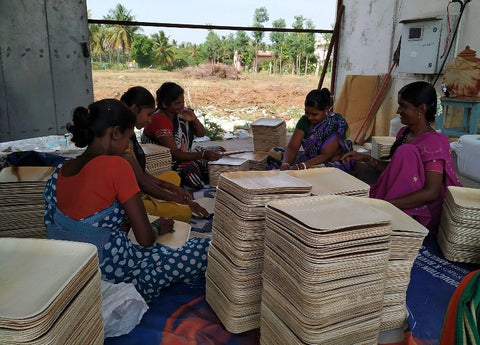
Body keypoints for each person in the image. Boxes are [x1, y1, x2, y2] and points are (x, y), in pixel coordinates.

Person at [43, 99, 209, 302]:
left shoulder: (59, 171)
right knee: (205, 249)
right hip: (114, 272)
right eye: (128, 138)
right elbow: (145, 239)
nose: (127, 146)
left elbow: (72, 222)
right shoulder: (116, 166)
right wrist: (158, 227)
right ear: (115, 133)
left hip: (70, 270)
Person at [341, 81, 462, 233]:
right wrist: (365, 158)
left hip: (420, 210)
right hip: (396, 198)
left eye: (403, 106)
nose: (398, 111)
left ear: (421, 109)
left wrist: (386, 204)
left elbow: (432, 192)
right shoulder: (404, 133)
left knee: (406, 152)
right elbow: (397, 170)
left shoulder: (434, 142)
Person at [120, 86, 209, 221]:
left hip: (139, 185)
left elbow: (142, 175)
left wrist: (172, 188)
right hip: (129, 195)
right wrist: (180, 200)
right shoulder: (122, 141)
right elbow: (142, 182)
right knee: (183, 212)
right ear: (133, 109)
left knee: (172, 177)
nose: (150, 120)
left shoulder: (128, 134)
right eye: (148, 114)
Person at [141, 82, 224, 190]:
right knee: (193, 174)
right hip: (168, 163)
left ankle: (204, 171)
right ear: (165, 104)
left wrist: (194, 119)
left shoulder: (181, 114)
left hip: (185, 154)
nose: (182, 105)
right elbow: (175, 154)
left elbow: (201, 133)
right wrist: (202, 155)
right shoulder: (159, 119)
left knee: (219, 151)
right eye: (178, 103)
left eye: (182, 101)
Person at [266, 88, 354, 172]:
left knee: (316, 170)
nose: (310, 117)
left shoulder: (334, 122)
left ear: (326, 110)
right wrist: (286, 163)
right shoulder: (304, 121)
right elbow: (292, 147)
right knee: (275, 153)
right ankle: (278, 182)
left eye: (315, 114)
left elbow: (326, 155)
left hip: (329, 161)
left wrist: (302, 166)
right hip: (310, 159)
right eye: (307, 113)